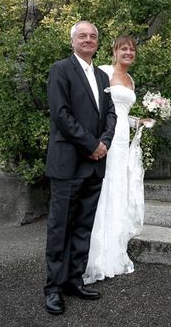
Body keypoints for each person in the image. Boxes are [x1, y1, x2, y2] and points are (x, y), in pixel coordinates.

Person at [44, 21, 117, 315]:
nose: (88, 40)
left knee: (83, 226)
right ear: (73, 40)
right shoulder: (60, 70)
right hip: (69, 163)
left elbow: (110, 114)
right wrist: (91, 145)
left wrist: (105, 142)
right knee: (60, 227)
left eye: (93, 36)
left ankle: (75, 279)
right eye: (83, 36)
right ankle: (53, 288)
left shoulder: (102, 76)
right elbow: (61, 115)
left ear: (98, 43)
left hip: (95, 164)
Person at [83, 36, 153, 283]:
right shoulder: (104, 71)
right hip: (108, 137)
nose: (129, 52)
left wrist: (139, 121)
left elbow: (122, 112)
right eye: (124, 48)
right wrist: (98, 138)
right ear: (114, 51)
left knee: (119, 190)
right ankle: (97, 256)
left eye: (132, 49)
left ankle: (116, 250)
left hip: (124, 139)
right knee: (106, 189)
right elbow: (98, 106)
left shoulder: (131, 80)